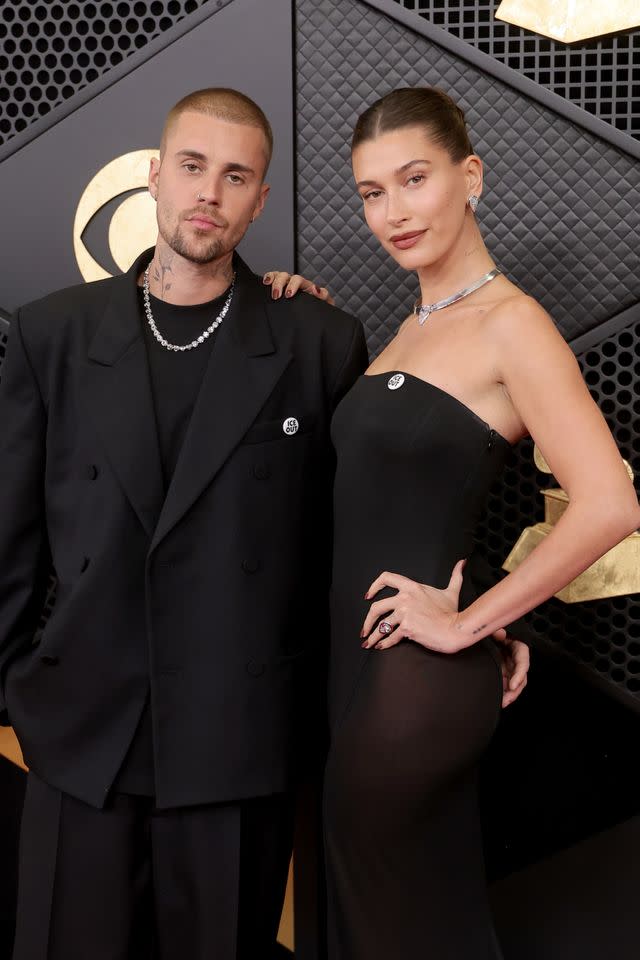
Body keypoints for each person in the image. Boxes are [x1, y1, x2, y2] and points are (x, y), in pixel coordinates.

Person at [0, 85, 527, 958]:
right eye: (193, 167)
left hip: (236, 747)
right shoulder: (53, 333)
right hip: (80, 740)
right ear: (156, 177)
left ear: (261, 200)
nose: (210, 191)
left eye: (236, 176)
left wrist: (488, 617)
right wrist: (23, 691)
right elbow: (10, 544)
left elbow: (370, 515)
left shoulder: (317, 341)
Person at [304, 87, 640, 959]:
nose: (392, 212)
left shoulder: (511, 325)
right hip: (361, 669)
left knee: (388, 929)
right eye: (372, 192)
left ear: (472, 175)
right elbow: (407, 500)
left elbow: (610, 503)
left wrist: (469, 624)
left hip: (410, 680)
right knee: (406, 923)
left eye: (413, 180)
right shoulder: (408, 331)